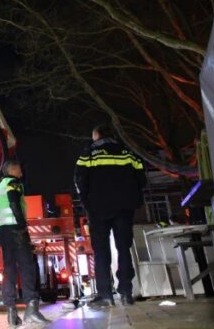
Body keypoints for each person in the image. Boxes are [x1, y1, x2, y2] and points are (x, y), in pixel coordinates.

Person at [74, 124, 146, 307]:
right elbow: (141, 178)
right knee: (123, 248)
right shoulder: (127, 153)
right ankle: (126, 293)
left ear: (97, 136)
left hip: (98, 209)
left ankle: (106, 294)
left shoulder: (88, 154)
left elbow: (79, 180)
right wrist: (132, 197)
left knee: (101, 251)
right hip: (124, 208)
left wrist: (87, 202)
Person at [0, 160, 49, 326]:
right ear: (12, 169)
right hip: (16, 229)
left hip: (2, 231)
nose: (21, 174)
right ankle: (32, 310)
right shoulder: (12, 182)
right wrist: (22, 224)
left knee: (9, 270)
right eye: (19, 170)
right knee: (27, 266)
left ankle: (11, 314)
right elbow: (13, 201)